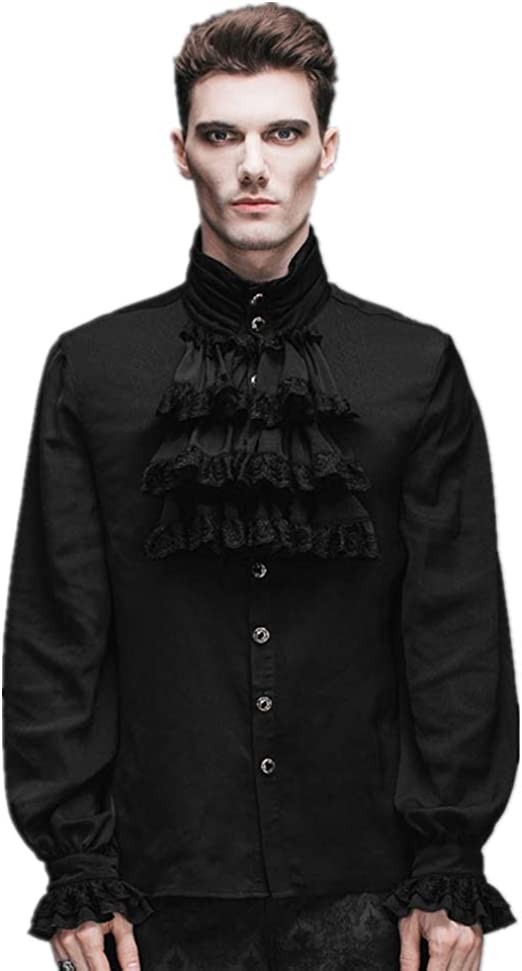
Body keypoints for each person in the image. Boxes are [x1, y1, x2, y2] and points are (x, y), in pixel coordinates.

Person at [2, 3, 519, 970]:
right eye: (221, 135)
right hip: (147, 899)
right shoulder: (94, 370)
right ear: (181, 152)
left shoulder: (414, 369)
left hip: (373, 895)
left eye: (283, 133)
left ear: (328, 149)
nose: (252, 166)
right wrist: (75, 865)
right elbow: (55, 627)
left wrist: (450, 859)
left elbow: (455, 628)